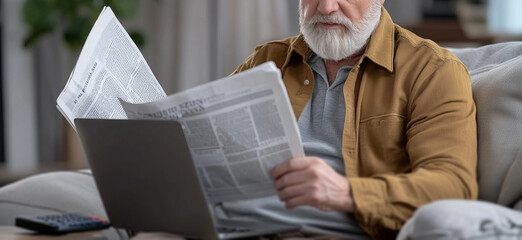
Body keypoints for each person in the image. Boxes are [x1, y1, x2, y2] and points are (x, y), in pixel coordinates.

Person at [223, 0, 478, 239]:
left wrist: (347, 193)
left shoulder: (432, 70)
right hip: (233, 227)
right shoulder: (268, 61)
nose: (326, 7)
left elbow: (452, 188)